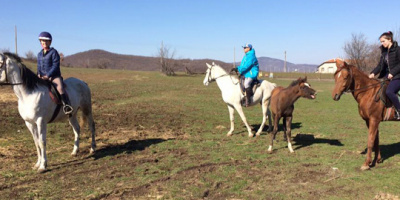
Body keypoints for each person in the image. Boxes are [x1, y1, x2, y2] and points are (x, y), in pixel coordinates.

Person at [37, 31, 73, 115]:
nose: (44, 43)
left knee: (60, 88)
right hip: (42, 77)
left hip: (54, 76)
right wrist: (38, 74)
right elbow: (39, 66)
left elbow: (55, 66)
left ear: (50, 42)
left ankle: (66, 106)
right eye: (42, 41)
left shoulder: (54, 52)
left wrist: (47, 76)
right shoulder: (39, 54)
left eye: (46, 41)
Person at [369, 31, 400, 119]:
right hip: (387, 76)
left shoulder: (398, 50)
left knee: (389, 91)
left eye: (383, 41)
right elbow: (380, 65)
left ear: (389, 39)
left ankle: (399, 110)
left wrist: (392, 73)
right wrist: (373, 73)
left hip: (398, 77)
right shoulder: (384, 53)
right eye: (381, 42)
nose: (382, 44)